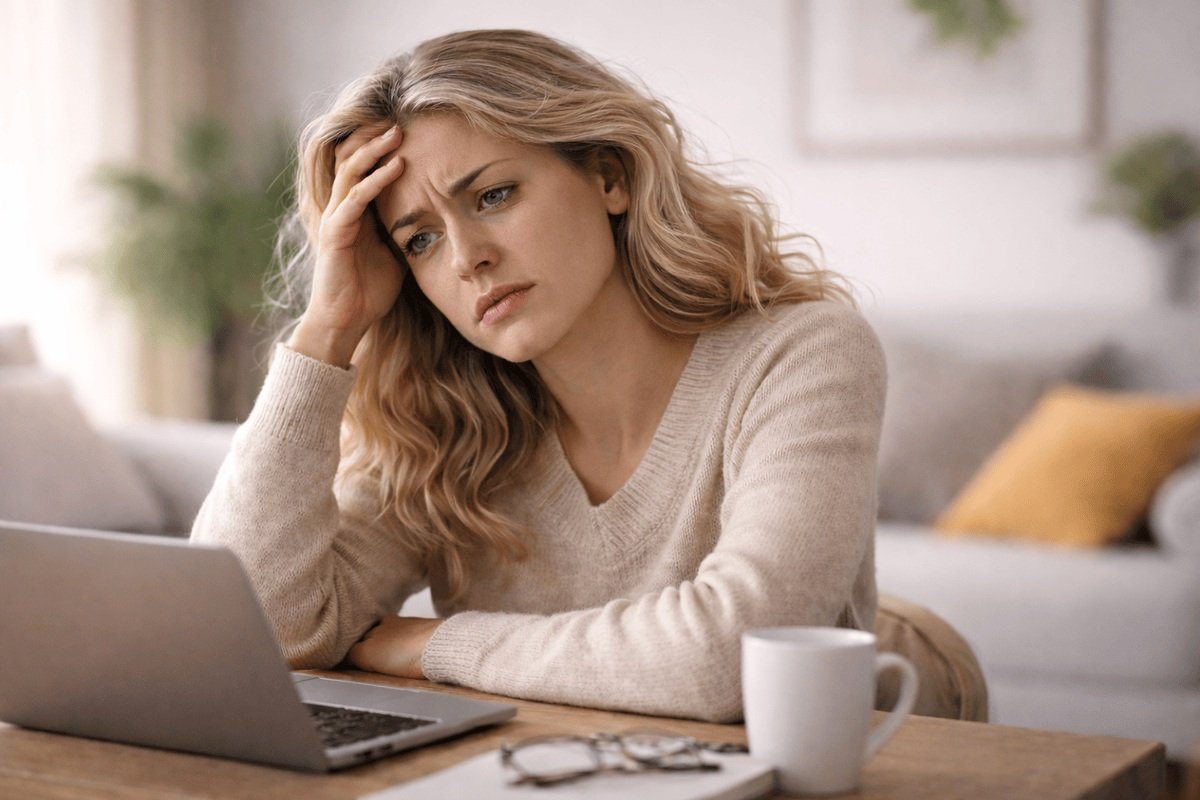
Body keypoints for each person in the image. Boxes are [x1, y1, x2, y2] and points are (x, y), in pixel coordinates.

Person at [191, 28, 885, 723]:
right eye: (420, 240)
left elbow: (730, 662)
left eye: (492, 196)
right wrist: (328, 329)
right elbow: (251, 631)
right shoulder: (443, 421)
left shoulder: (801, 353)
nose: (466, 258)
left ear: (610, 176)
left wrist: (437, 644)